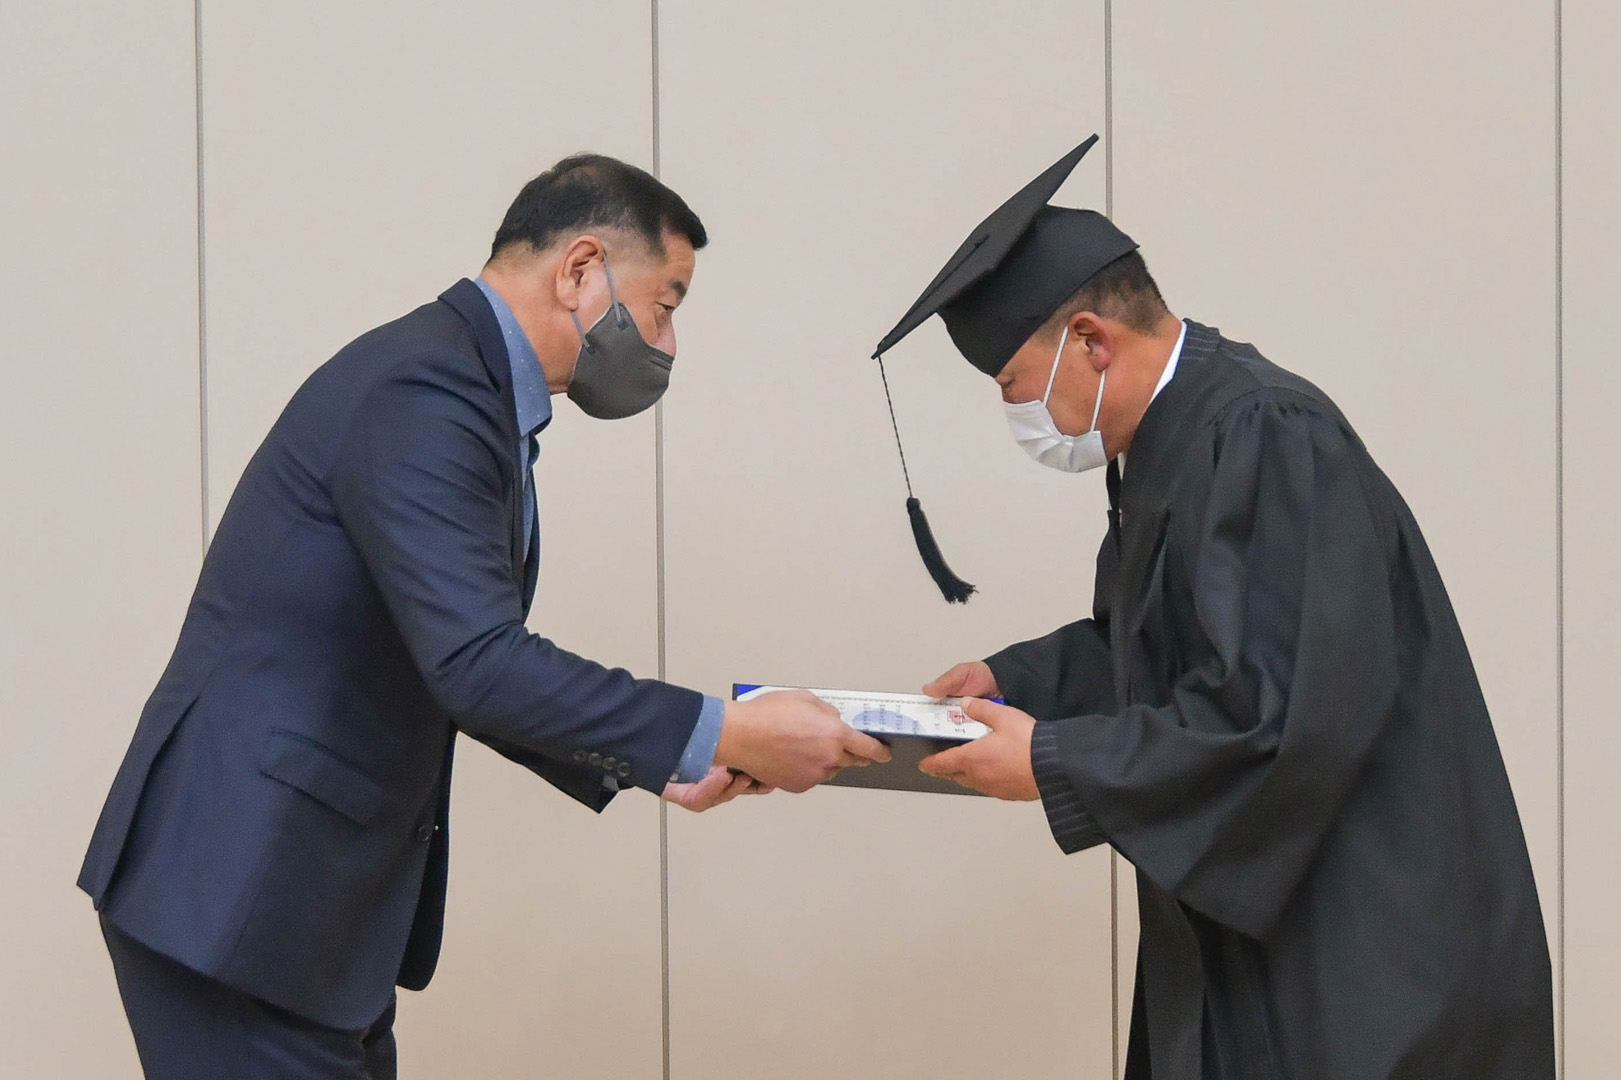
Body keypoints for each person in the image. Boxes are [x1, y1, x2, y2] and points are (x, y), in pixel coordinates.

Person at [78, 153, 889, 1080]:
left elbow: (445, 660)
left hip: (286, 911)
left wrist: (669, 763)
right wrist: (720, 730)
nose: (667, 344)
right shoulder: (427, 390)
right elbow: (478, 664)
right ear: (580, 270)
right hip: (238, 895)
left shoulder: (458, 386)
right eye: (664, 306)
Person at [872, 137, 1556, 1078]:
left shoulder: (1265, 434)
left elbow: (1276, 715)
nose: (1017, 411)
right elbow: (1155, 649)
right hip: (1271, 938)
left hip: (1366, 949)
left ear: (1089, 342)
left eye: (1011, 384)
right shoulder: (1180, 437)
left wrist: (1051, 759)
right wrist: (1014, 683)